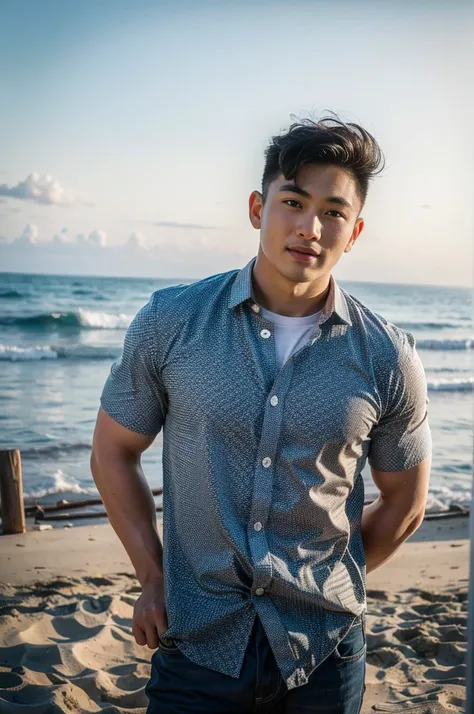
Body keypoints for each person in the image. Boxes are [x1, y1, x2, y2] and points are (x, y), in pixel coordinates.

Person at [91, 113, 432, 714]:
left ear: (354, 233)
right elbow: (113, 452)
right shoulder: (172, 322)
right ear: (257, 207)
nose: (310, 227)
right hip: (196, 645)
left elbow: (405, 502)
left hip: (324, 655)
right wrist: (152, 577)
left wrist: (328, 583)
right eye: (294, 202)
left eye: (333, 212)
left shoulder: (387, 356)